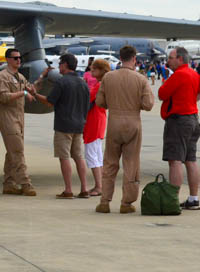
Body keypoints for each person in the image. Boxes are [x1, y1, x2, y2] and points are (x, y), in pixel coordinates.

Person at [94, 45, 154, 214]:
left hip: (113, 123)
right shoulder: (141, 79)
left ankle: (104, 201)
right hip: (133, 123)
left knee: (110, 163)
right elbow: (148, 105)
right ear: (134, 59)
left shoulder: (108, 77)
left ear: (120, 58)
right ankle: (126, 203)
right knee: (131, 163)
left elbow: (100, 102)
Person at [31, 53, 91, 199]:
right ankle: (84, 188)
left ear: (65, 64)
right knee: (78, 157)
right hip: (79, 125)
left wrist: (35, 94)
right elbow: (87, 105)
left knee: (64, 157)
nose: (58, 67)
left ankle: (68, 189)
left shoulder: (62, 82)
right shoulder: (83, 83)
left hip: (64, 125)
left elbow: (50, 101)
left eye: (60, 64)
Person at [159, 46, 200, 211]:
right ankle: (194, 198)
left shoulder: (178, 75)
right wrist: (193, 101)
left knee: (175, 161)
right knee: (191, 160)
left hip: (179, 121)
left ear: (180, 59)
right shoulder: (193, 73)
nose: (168, 61)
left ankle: (173, 200)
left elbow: (161, 94)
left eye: (171, 58)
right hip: (193, 119)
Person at [0, 48, 36, 196]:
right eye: (15, 58)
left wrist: (43, 77)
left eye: (20, 58)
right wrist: (23, 93)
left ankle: (9, 183)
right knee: (17, 150)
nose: (19, 60)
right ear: (8, 60)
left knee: (12, 151)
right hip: (8, 117)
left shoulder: (20, 76)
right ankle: (25, 183)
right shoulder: (2, 77)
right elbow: (3, 97)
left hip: (19, 116)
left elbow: (30, 88)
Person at [82, 58, 110, 196]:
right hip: (99, 119)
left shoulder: (99, 86)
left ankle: (98, 186)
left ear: (101, 71)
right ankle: (100, 185)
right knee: (97, 153)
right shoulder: (103, 84)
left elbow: (87, 99)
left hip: (93, 121)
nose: (91, 70)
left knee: (91, 154)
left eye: (94, 69)